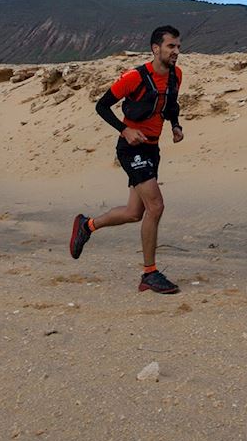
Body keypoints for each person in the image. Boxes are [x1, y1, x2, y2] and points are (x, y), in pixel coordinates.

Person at [68, 25, 185, 295]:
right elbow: (101, 105)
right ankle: (149, 274)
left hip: (152, 149)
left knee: (135, 213)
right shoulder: (134, 77)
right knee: (155, 206)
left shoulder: (175, 75)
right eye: (171, 46)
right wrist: (125, 129)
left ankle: (87, 225)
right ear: (156, 49)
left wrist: (175, 125)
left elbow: (171, 104)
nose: (176, 51)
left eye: (178, 46)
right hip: (131, 149)